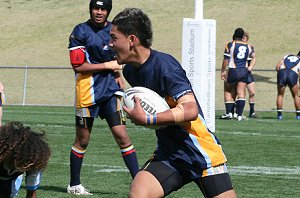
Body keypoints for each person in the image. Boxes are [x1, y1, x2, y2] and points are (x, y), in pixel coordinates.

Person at [110, 8, 237, 198]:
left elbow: (190, 109)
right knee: (139, 194)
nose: (110, 44)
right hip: (169, 154)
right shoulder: (130, 71)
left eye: (113, 38)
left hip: (201, 152)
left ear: (132, 40)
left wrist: (149, 119)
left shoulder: (165, 66)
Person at [67, 0, 139, 195]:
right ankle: (74, 184)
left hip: (110, 92)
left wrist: (117, 75)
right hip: (87, 92)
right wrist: (109, 67)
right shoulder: (80, 31)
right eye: (96, 8)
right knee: (82, 141)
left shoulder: (115, 30)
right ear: (90, 9)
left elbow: (120, 55)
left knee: (123, 137)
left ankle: (140, 182)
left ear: (108, 11)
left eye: (103, 9)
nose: (99, 12)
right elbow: (78, 66)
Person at [0, 121, 51, 198]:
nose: (23, 167)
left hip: (9, 182)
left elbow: (31, 194)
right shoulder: (3, 154)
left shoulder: (34, 163)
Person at [221, 28, 256, 121]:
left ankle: (229, 113)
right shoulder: (249, 46)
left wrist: (223, 71)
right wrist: (250, 67)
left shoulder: (230, 44)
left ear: (234, 35)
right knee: (241, 92)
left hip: (233, 70)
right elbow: (253, 57)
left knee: (228, 90)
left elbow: (226, 59)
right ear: (242, 36)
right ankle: (239, 115)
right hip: (244, 70)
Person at [275, 51, 300, 120]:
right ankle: (298, 115)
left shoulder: (287, 56)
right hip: (292, 74)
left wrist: (281, 74)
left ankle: (279, 115)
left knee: (280, 95)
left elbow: (277, 67)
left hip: (282, 72)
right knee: (296, 95)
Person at [242, 32, 257, 118]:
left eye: (245, 38)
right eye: (242, 38)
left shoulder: (250, 47)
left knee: (252, 92)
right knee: (241, 93)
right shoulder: (236, 46)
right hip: (240, 71)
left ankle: (252, 111)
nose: (243, 39)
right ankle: (239, 112)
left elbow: (254, 58)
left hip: (247, 73)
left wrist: (251, 66)